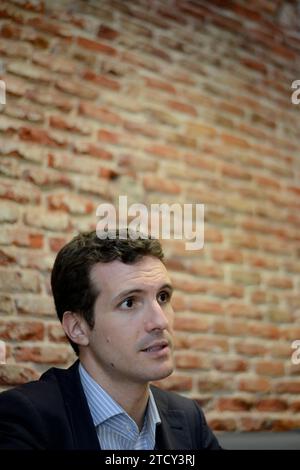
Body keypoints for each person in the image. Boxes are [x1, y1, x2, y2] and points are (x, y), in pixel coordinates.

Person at [0, 229, 221, 450]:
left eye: (163, 297)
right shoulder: (26, 419)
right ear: (78, 328)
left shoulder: (188, 419)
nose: (161, 321)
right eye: (129, 302)